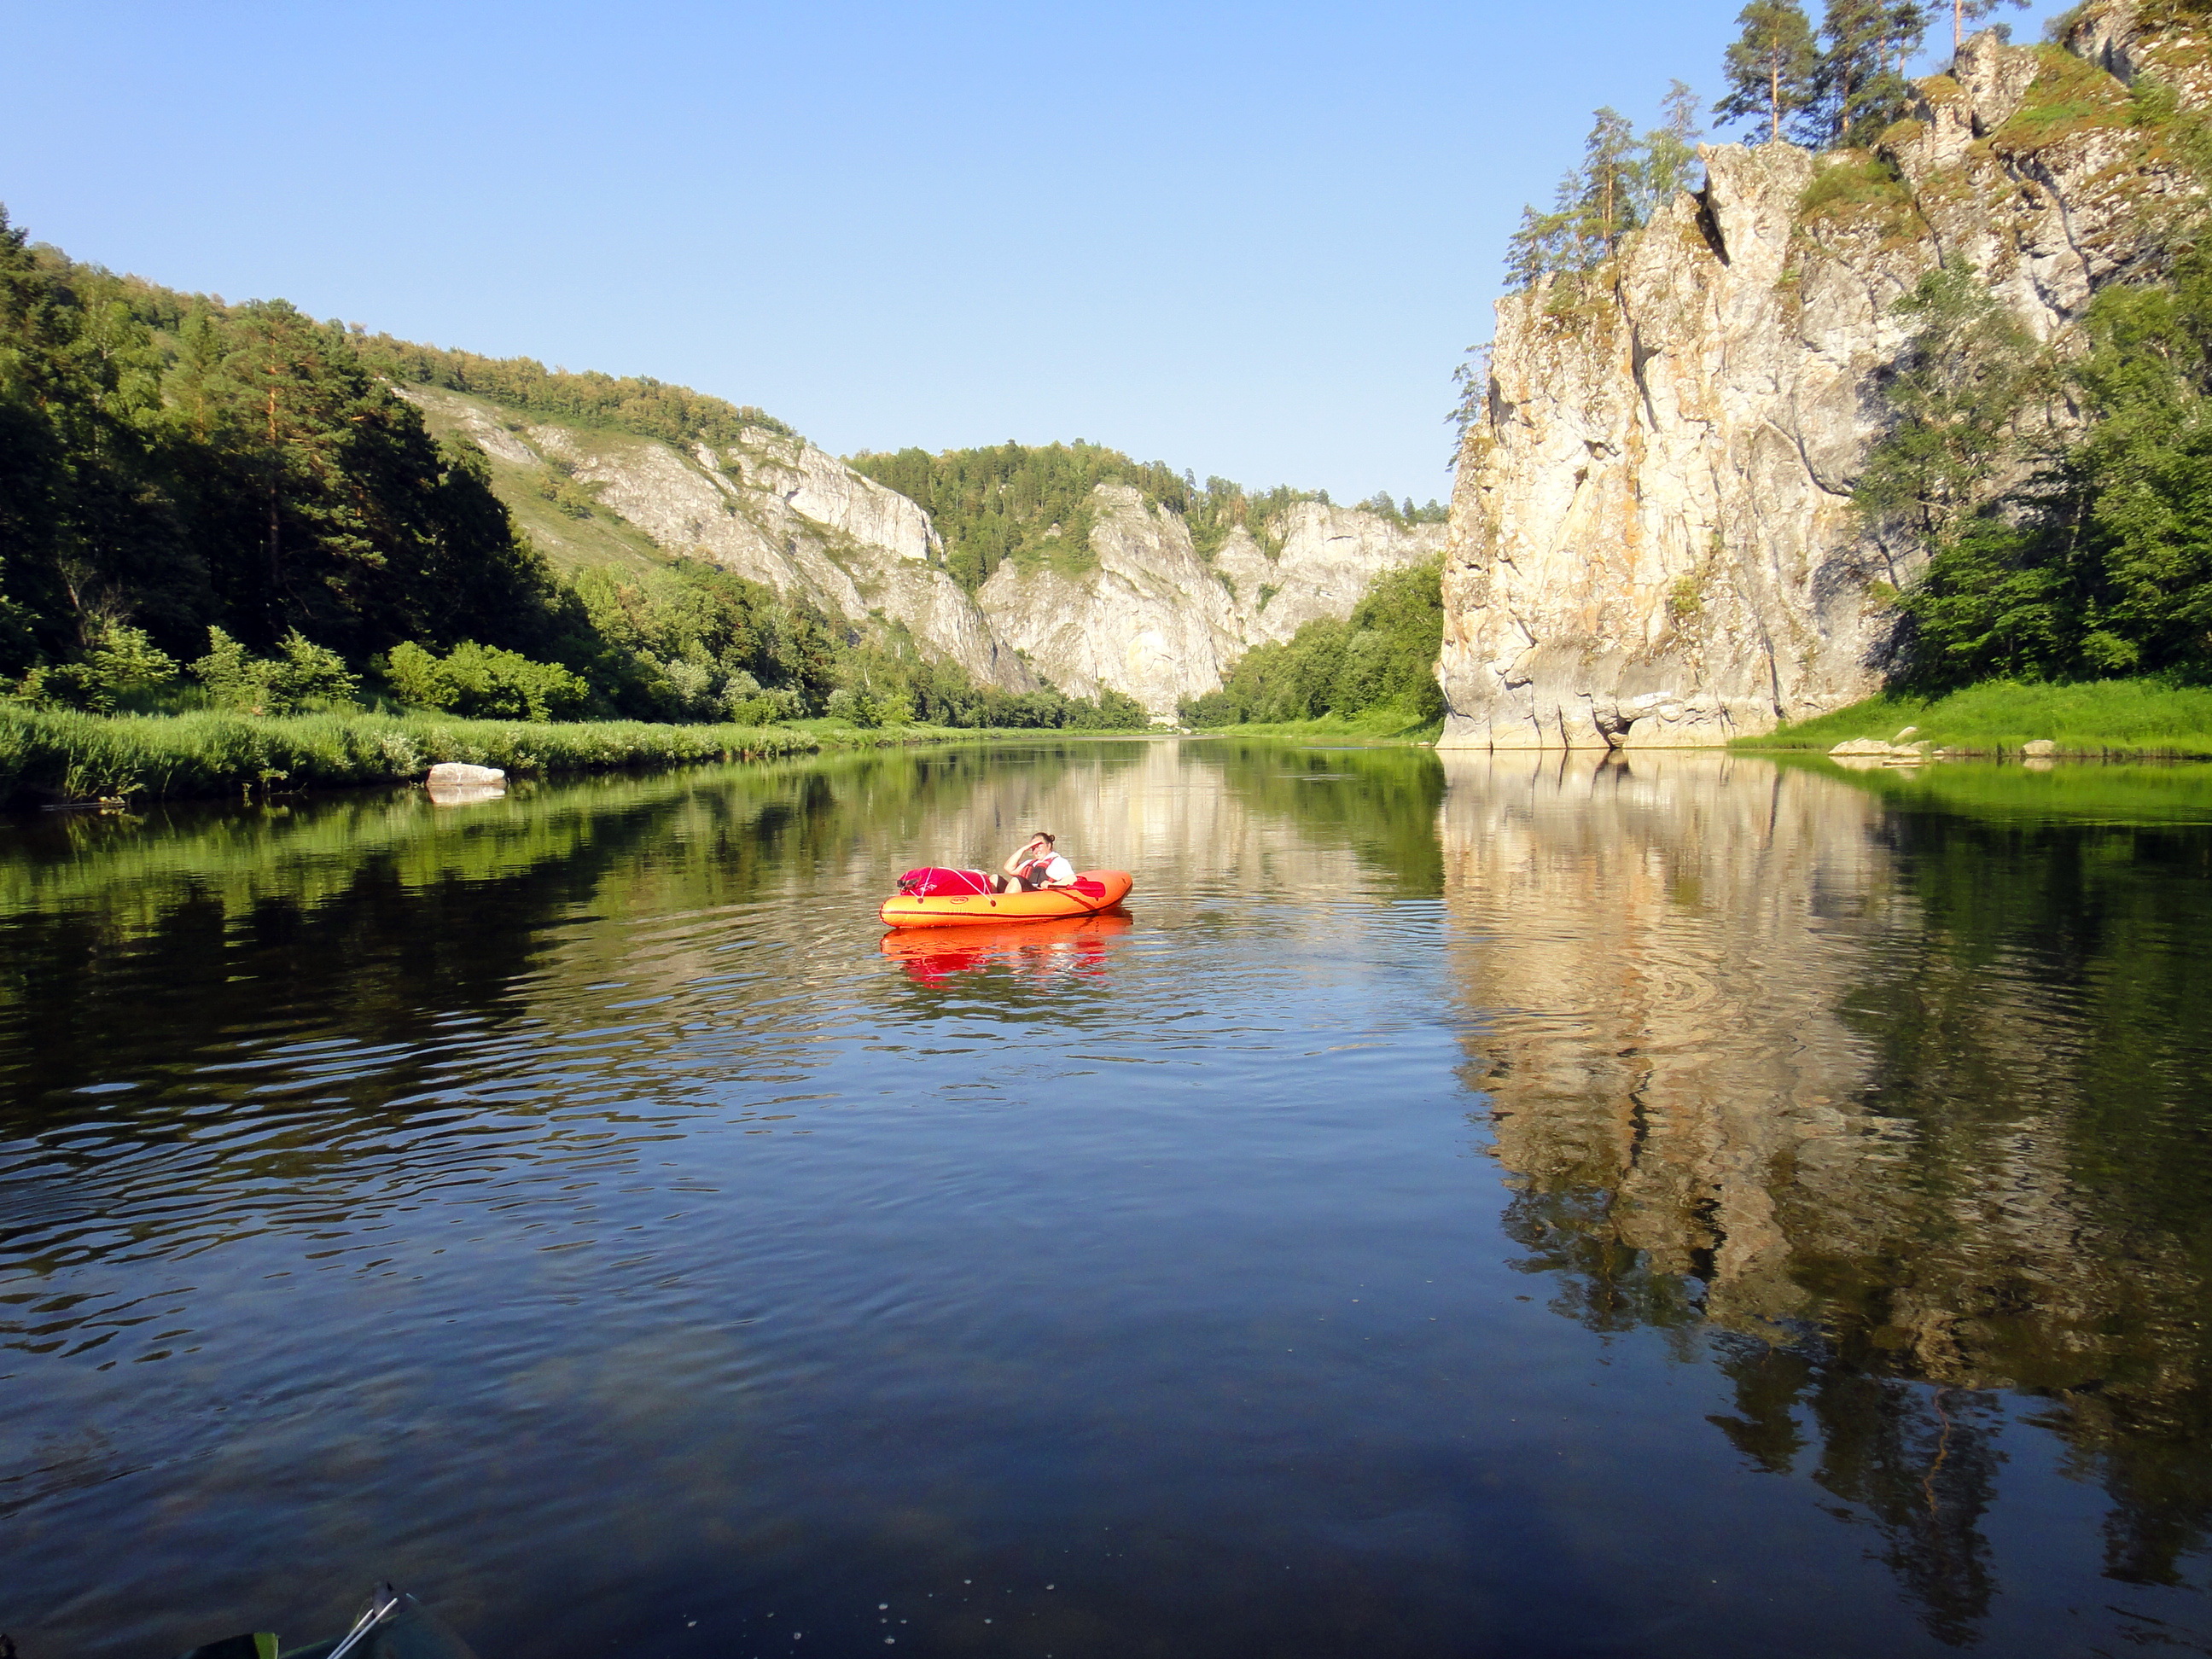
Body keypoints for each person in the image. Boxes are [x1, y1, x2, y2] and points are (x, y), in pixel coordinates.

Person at [991, 831, 1074, 893]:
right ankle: (990, 907)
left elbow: (1072, 879)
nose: (1036, 850)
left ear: (1048, 846)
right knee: (994, 878)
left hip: (1038, 897)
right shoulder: (1030, 862)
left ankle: (1005, 908)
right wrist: (1024, 848)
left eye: (1039, 846)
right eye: (1033, 848)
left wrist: (1051, 885)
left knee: (1017, 880)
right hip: (1024, 896)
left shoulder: (1058, 862)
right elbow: (1009, 868)